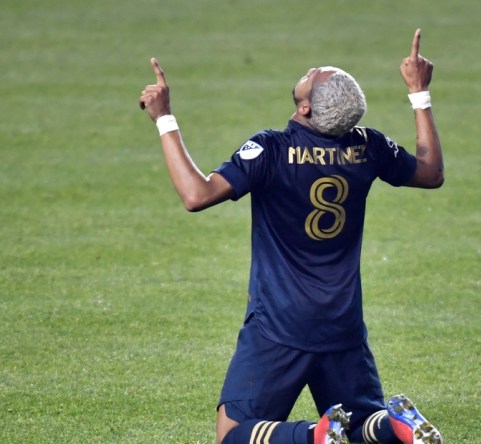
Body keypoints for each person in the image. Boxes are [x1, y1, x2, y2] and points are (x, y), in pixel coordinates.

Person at [139, 29, 445, 444]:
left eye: (314, 75)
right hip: (343, 324)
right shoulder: (369, 147)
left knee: (232, 434)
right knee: (362, 427)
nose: (313, 69)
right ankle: (396, 426)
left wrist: (164, 118)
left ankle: (313, 437)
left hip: (279, 325)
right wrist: (419, 93)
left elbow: (197, 195)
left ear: (304, 107)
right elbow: (431, 174)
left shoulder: (271, 149)